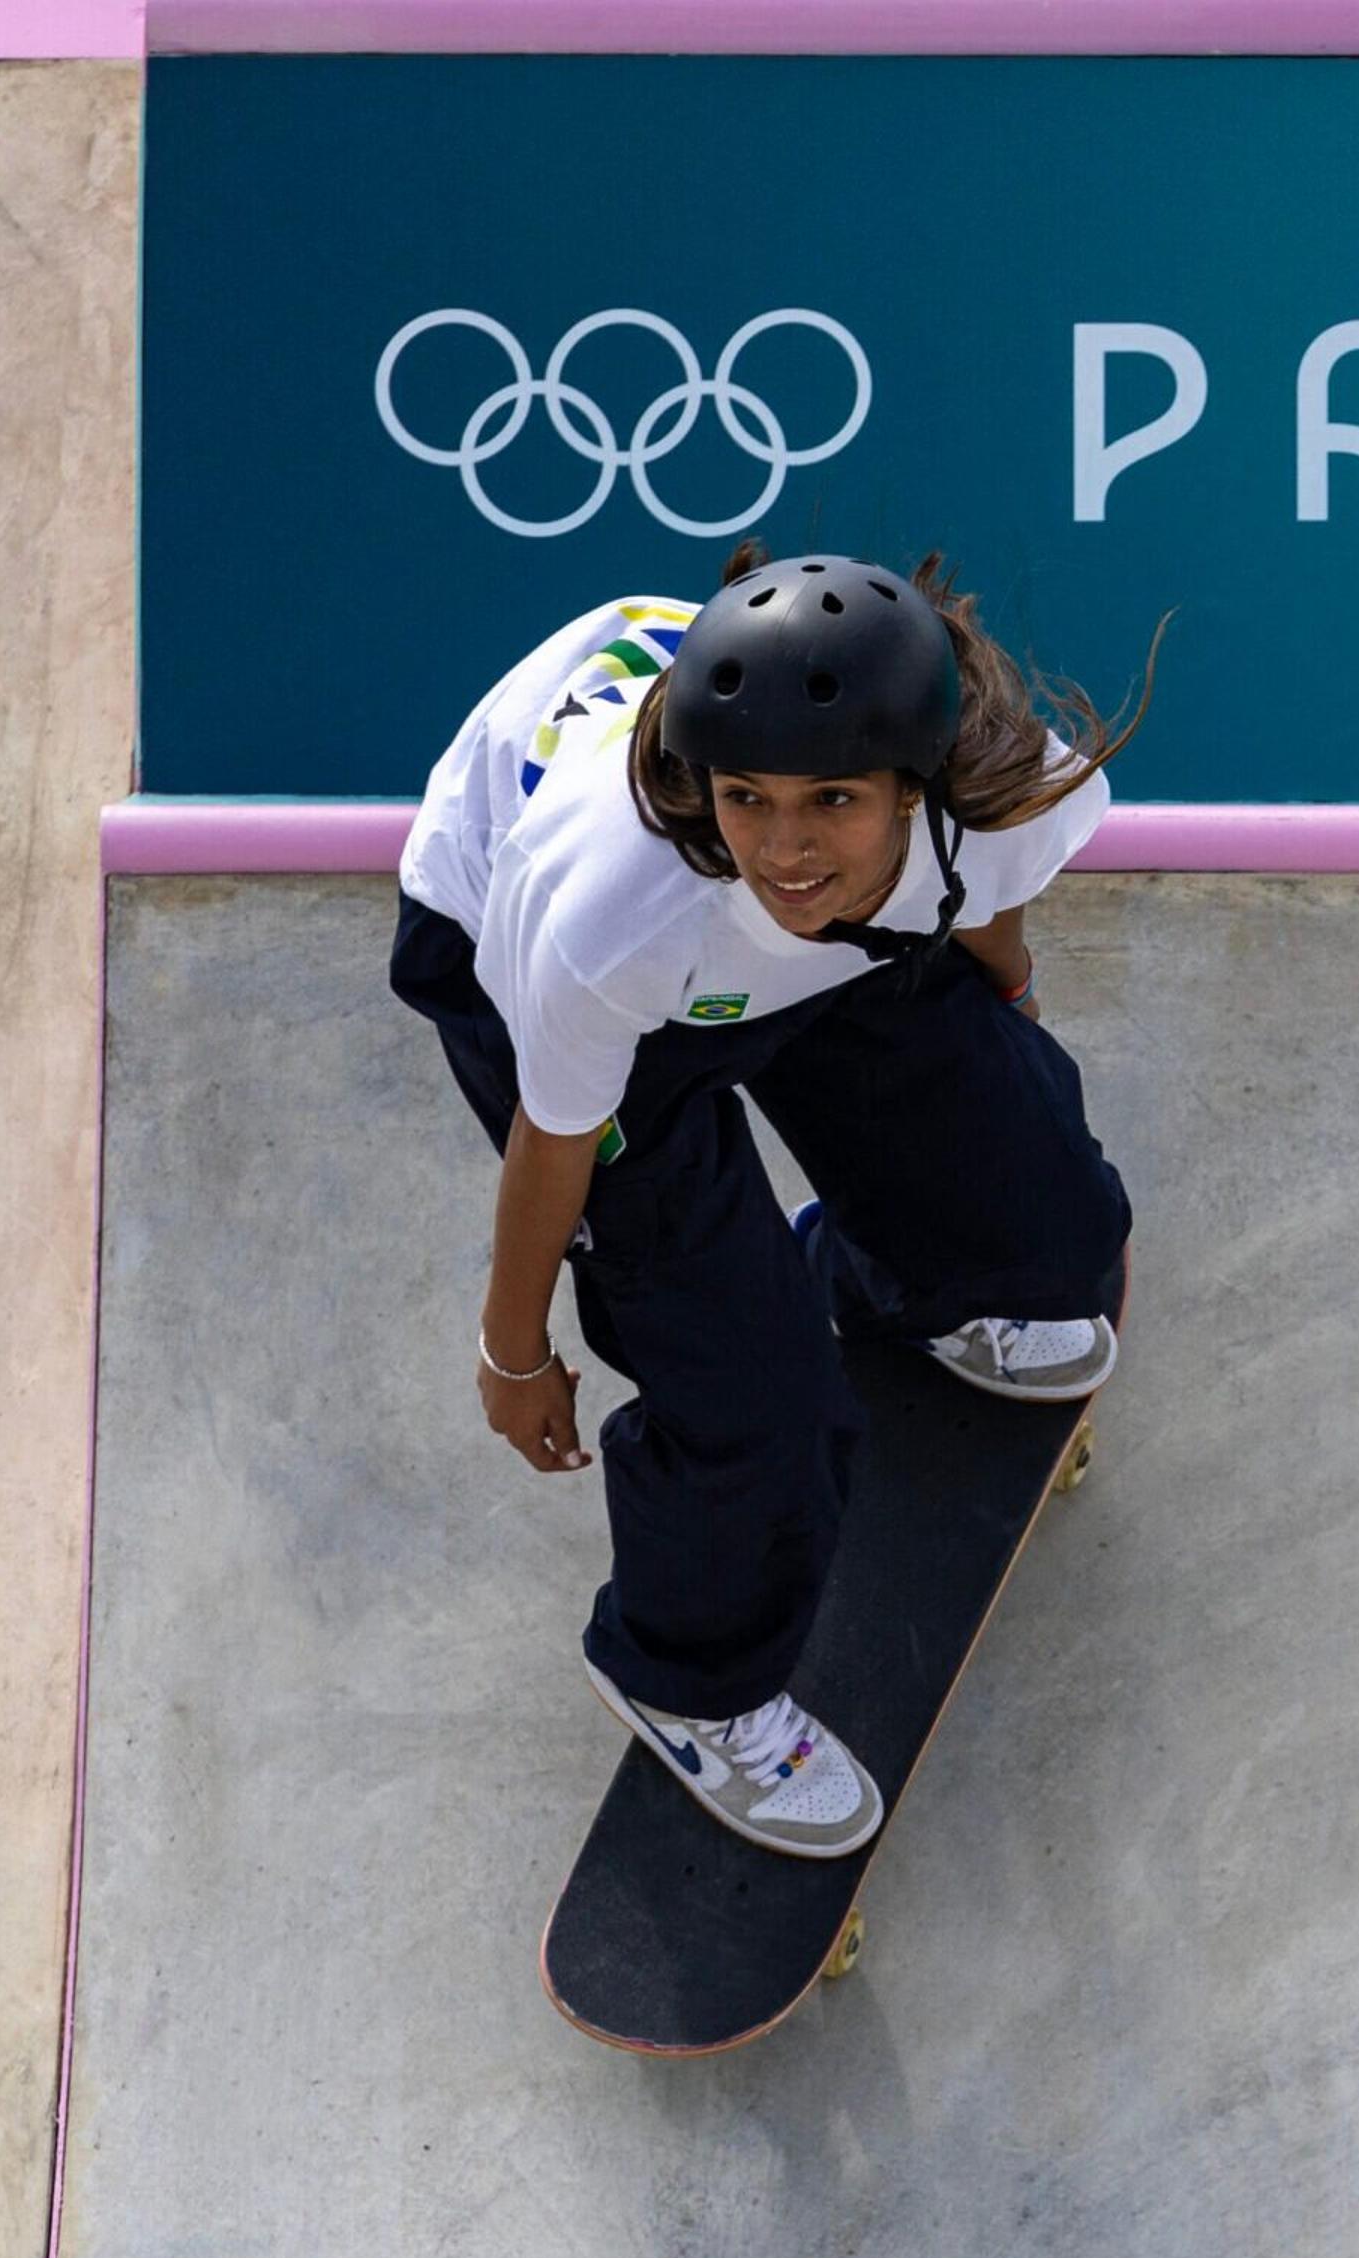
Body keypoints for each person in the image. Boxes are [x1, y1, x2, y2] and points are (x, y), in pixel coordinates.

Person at [388, 544, 1145, 1860]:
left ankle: (893, 1282)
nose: (787, 848)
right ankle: (686, 1683)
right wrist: (513, 1352)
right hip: (538, 973)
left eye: (833, 801)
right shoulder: (609, 908)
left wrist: (987, 1098)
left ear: (920, 785)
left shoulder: (1006, 794)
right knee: (758, 1402)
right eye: (751, 797)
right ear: (708, 782)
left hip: (805, 951)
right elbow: (552, 1143)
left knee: (1045, 1218)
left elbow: (991, 930)